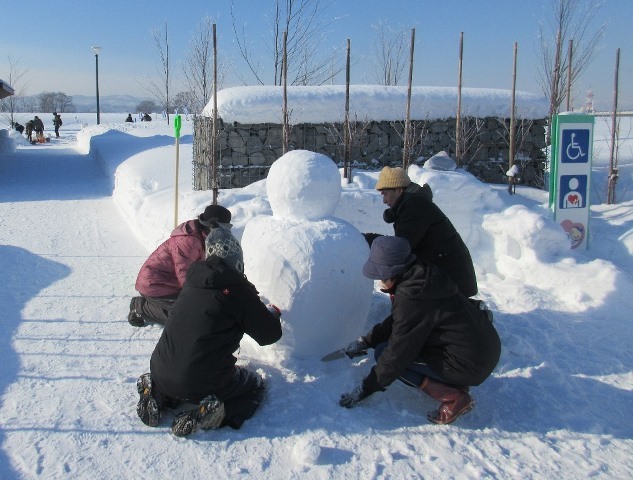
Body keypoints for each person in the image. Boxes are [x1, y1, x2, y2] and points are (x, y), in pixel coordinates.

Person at [136, 226, 283, 437]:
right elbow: (269, 335)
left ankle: (158, 395)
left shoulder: (192, 281)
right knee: (253, 386)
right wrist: (271, 314)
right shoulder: (238, 291)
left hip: (160, 371)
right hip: (202, 382)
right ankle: (215, 412)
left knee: (181, 376)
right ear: (238, 259)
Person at [339, 236, 500, 425]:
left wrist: (365, 389)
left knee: (385, 353)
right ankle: (451, 378)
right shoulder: (422, 276)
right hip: (482, 350)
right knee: (388, 348)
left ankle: (454, 397)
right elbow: (401, 320)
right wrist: (367, 341)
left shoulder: (412, 296)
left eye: (381, 276)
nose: (380, 281)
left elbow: (398, 354)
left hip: (469, 363)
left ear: (393, 272)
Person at [364, 166, 478, 299]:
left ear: (399, 190)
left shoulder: (415, 208)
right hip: (447, 275)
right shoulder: (412, 204)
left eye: (385, 194)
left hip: (450, 279)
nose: (384, 201)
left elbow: (400, 249)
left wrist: (369, 240)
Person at [128, 204, 233, 327]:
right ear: (212, 225)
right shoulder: (189, 241)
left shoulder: (204, 236)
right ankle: (140, 307)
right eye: (224, 227)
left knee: (199, 309)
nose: (225, 231)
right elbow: (184, 274)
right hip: (154, 285)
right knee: (186, 317)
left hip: (170, 283)